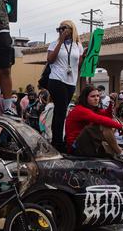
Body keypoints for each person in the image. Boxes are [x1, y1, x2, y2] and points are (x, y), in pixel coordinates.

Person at [65, 85, 123, 163]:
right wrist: (120, 127)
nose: (96, 98)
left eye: (97, 96)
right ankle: (120, 152)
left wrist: (111, 103)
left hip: (88, 144)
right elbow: (101, 120)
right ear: (85, 98)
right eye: (92, 96)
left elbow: (107, 115)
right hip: (75, 147)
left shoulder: (92, 109)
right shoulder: (80, 110)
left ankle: (122, 155)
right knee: (103, 125)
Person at [46, 20, 86, 152]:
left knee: (61, 111)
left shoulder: (77, 45)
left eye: (65, 28)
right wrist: (60, 41)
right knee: (61, 111)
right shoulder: (54, 43)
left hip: (70, 81)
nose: (62, 31)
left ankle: (57, 140)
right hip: (57, 80)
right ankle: (57, 141)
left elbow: (78, 66)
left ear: (71, 29)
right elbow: (50, 59)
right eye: (60, 29)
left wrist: (84, 57)